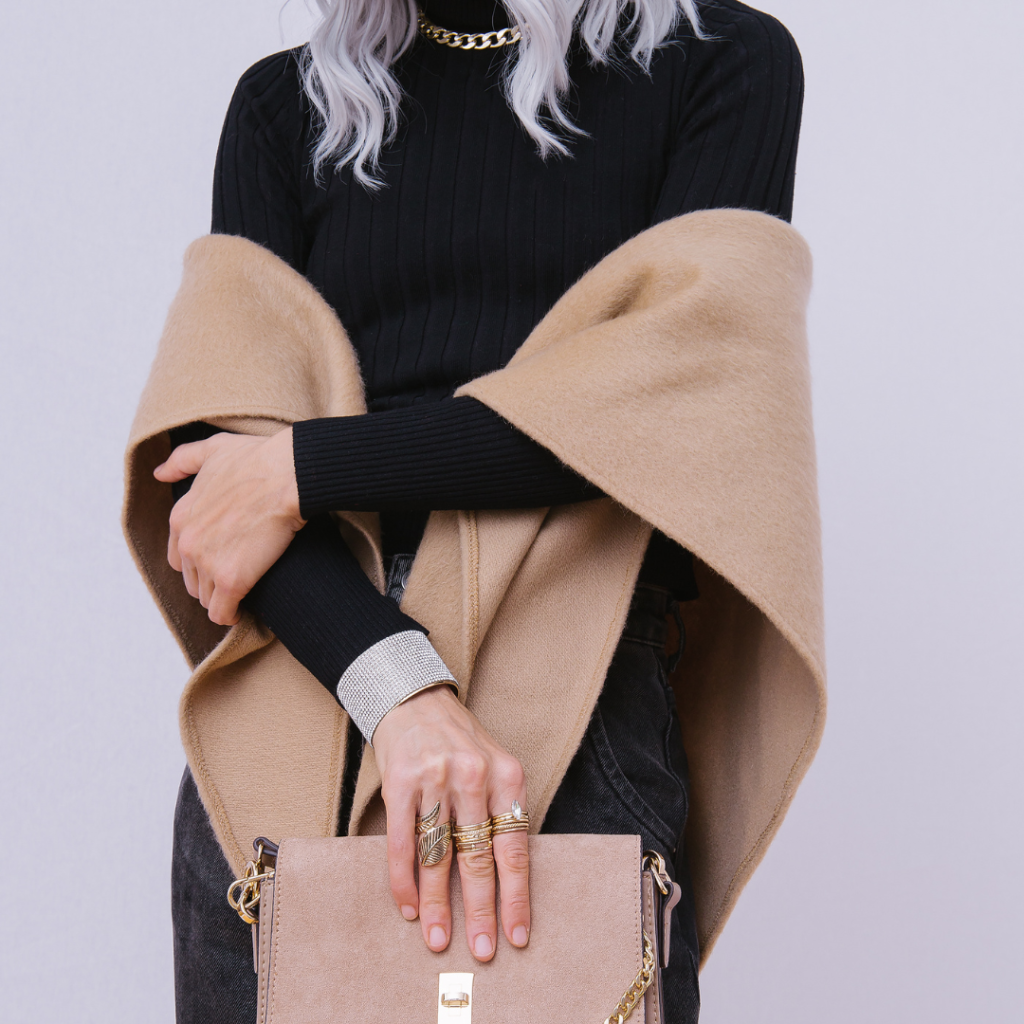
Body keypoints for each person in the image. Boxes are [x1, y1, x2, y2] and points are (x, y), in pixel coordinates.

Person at [153, 2, 803, 1021]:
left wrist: (302, 468)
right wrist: (399, 691)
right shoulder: (291, 106)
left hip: (573, 678)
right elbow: (218, 495)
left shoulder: (716, 62)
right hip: (302, 695)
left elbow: (672, 411)